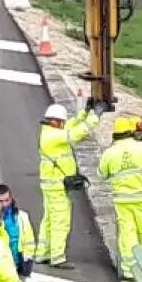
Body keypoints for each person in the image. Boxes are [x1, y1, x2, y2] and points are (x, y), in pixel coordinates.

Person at [36, 102, 101, 269]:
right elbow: (76, 133)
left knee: (49, 220)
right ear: (56, 121)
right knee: (60, 221)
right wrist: (95, 116)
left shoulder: (50, 132)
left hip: (51, 185)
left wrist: (84, 113)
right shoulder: (54, 137)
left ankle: (43, 253)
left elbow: (70, 126)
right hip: (57, 186)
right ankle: (57, 257)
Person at [98, 115, 142, 277]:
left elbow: (101, 174)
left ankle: (129, 269)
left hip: (122, 200)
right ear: (130, 132)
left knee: (127, 233)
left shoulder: (109, 153)